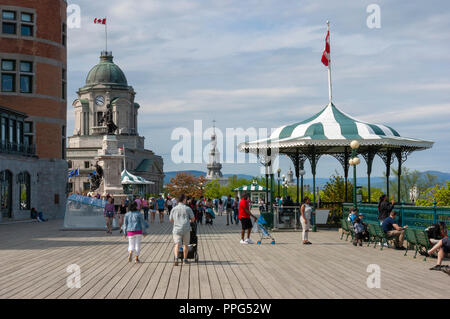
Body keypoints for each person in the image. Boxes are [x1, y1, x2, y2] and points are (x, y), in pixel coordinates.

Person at [169, 194, 195, 266]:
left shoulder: (174, 209)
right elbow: (193, 219)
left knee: (177, 244)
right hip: (186, 228)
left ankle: (176, 258)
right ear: (184, 200)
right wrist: (189, 221)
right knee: (185, 244)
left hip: (177, 229)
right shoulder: (187, 208)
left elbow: (171, 219)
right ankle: (185, 259)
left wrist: (177, 220)